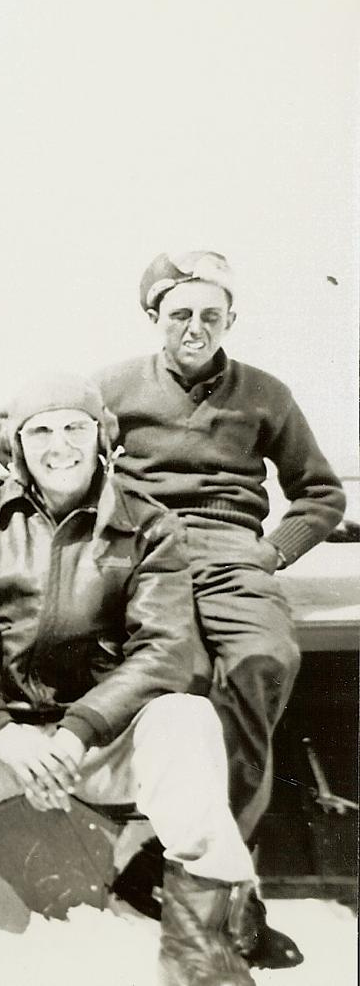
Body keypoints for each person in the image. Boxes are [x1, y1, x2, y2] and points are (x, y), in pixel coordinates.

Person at [0, 374, 261, 986]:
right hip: (1, 743)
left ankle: (198, 944)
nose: (59, 445)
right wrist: (2, 731)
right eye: (41, 431)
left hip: (103, 744)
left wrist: (78, 732)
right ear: (17, 447)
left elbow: (163, 648)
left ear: (101, 437)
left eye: (74, 427)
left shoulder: (150, 526)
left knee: (186, 716)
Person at [93, 251, 344, 967]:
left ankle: (193, 879)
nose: (195, 327)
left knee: (264, 664)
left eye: (211, 314)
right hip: (144, 557)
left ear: (230, 319)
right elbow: (16, 427)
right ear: (154, 320)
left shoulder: (265, 393)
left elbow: (321, 493)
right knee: (183, 686)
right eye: (180, 315)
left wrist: (272, 552)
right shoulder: (110, 387)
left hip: (234, 554)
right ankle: (219, 892)